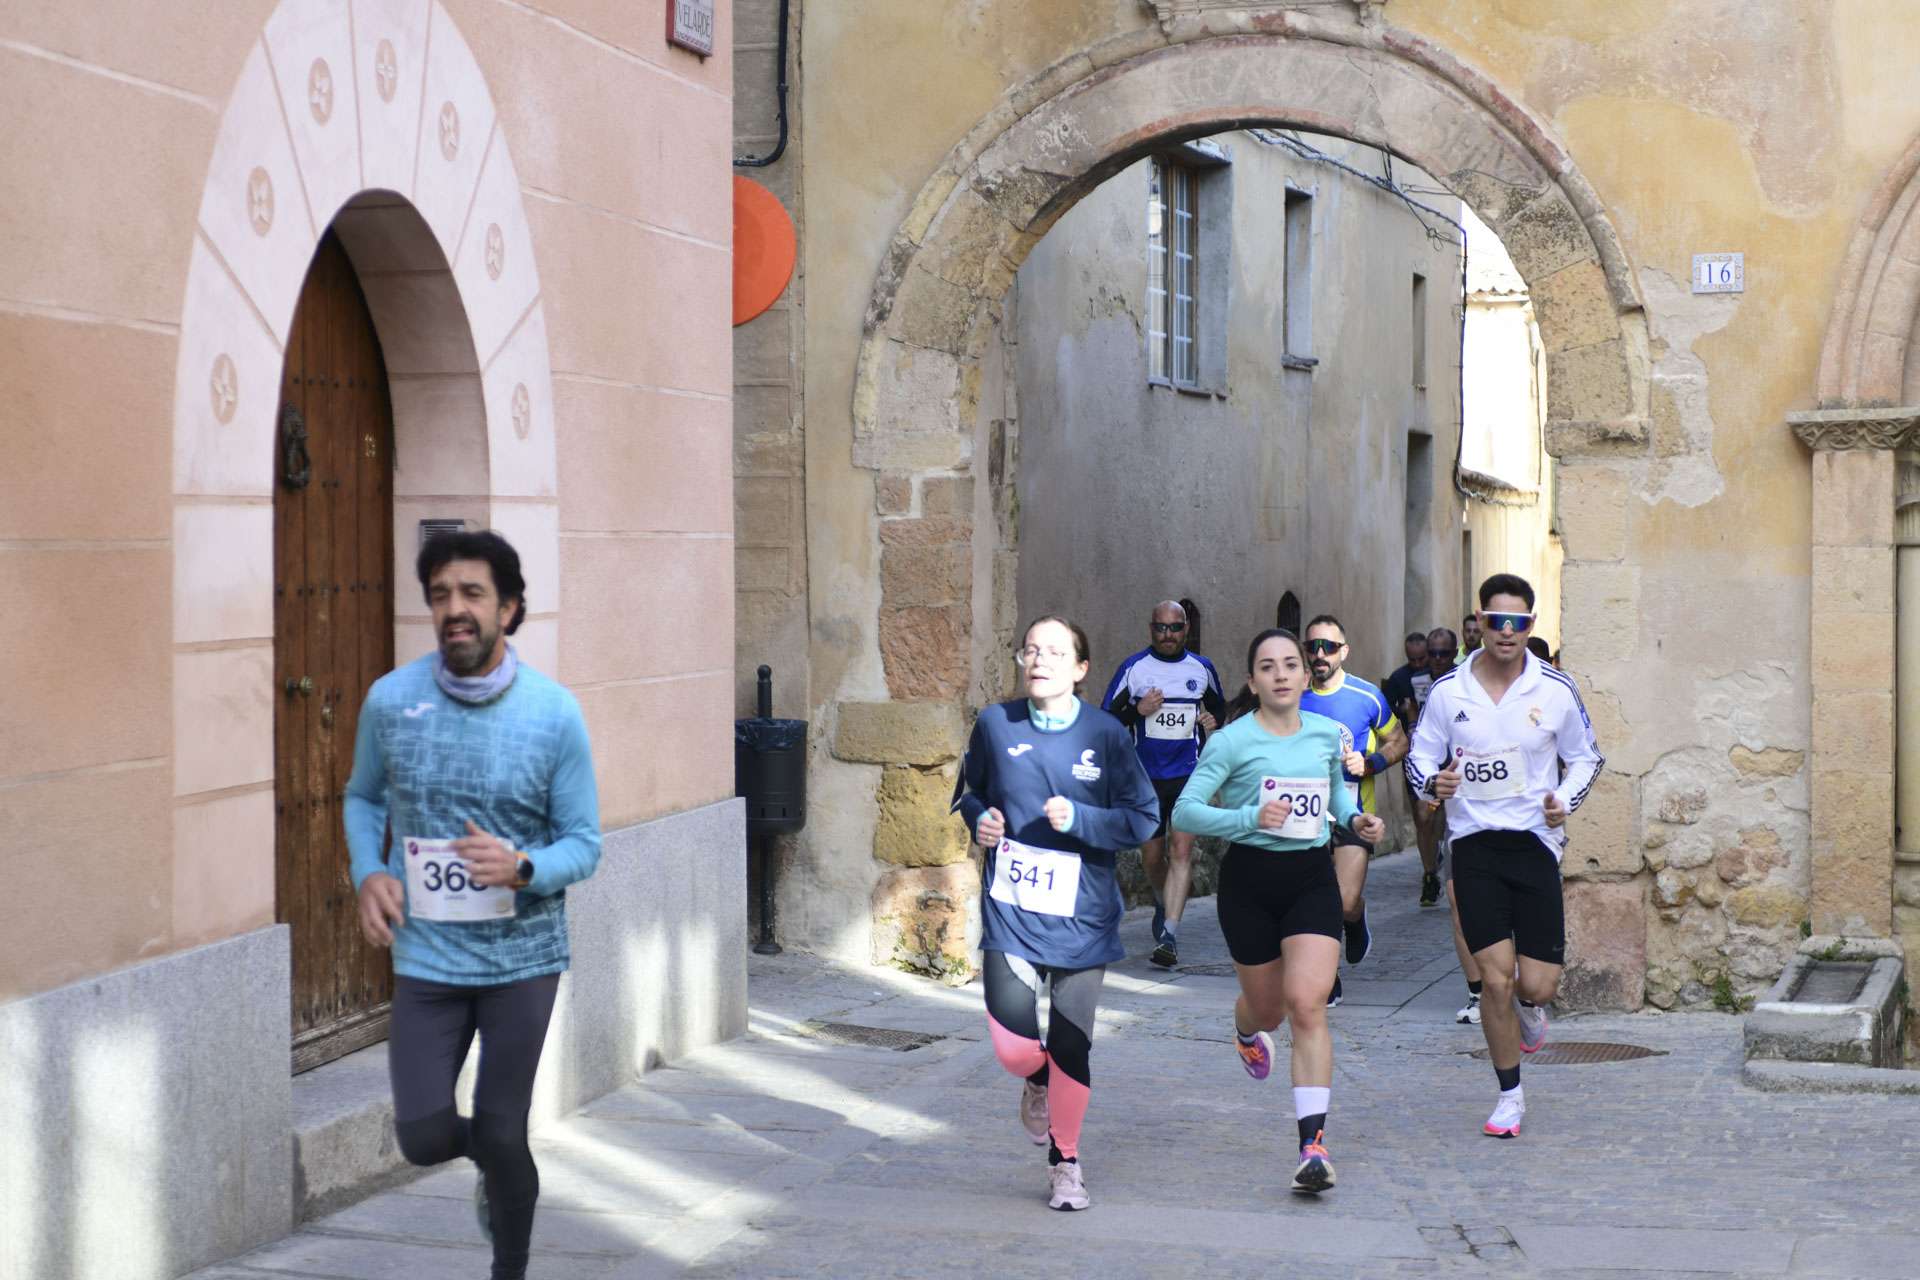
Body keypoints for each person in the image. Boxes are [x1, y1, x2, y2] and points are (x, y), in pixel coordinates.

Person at [346, 531, 601, 1280]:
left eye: (472, 594)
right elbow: (362, 797)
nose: (454, 608)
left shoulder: (554, 714)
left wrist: (523, 867)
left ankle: (509, 1266)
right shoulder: (391, 701)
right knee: (423, 1137)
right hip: (427, 955)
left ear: (509, 609)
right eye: (440, 595)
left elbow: (584, 845)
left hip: (523, 958)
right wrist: (369, 872)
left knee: (501, 1126)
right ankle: (493, 1160)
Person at [954, 616, 1158, 1212]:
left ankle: (1065, 1162)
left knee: (1072, 1046)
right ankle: (1035, 1079)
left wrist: (1082, 820)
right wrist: (981, 820)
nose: (1039, 660)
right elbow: (969, 792)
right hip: (1012, 913)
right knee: (1015, 1050)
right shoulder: (996, 724)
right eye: (1031, 650)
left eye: (1054, 652)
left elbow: (1143, 817)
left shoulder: (1107, 735)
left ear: (1080, 668)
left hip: (1083, 920)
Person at [1173, 630, 1386, 1194]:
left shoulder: (1324, 734)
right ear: (1253, 681)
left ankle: (1312, 1145)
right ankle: (1246, 1028)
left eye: (1291, 664)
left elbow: (1336, 795)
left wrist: (1354, 821)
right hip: (1249, 882)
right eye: (1268, 667)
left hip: (1311, 878)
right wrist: (1248, 818)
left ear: (1304, 674)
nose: (1282, 674)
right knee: (1268, 1012)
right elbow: (1185, 812)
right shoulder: (1231, 742)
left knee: (1307, 1004)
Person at [1405, 574, 1603, 1138]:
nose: (1507, 632)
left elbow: (1587, 758)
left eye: (1518, 622)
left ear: (1530, 625)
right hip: (1473, 845)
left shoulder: (1555, 689)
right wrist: (1433, 785)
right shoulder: (1450, 691)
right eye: (1497, 621)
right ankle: (1509, 1097)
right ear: (1480, 623)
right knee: (1495, 980)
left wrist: (1563, 800)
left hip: (1535, 844)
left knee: (1535, 985)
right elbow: (1419, 757)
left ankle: (1531, 1009)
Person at [1101, 600, 1227, 967]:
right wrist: (1136, 711)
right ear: (1151, 629)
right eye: (1161, 627)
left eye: (1175, 627)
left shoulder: (1201, 668)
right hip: (1146, 779)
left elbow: (1219, 707)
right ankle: (1162, 901)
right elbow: (1106, 719)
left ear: (1186, 629)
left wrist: (1212, 720)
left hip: (1189, 776)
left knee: (1182, 851)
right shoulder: (1134, 668)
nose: (1168, 634)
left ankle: (1169, 934)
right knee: (1153, 857)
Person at [1298, 614, 1407, 1007]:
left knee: (1344, 901)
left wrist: (1371, 763)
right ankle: (1327, 978)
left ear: (1343, 651)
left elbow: (1399, 741)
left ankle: (1356, 919)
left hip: (1353, 814)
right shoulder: (1292, 694)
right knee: (1313, 899)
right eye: (1312, 646)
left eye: (1328, 647)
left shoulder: (1366, 696)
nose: (1320, 654)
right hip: (1305, 813)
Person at [1405, 627, 1459, 906]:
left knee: (1449, 822)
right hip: (1426, 762)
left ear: (1454, 653)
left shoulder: (1464, 681)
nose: (1438, 659)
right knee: (1424, 817)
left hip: (1458, 764)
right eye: (1433, 653)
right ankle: (1429, 875)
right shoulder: (1412, 679)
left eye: (1444, 654)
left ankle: (1454, 874)